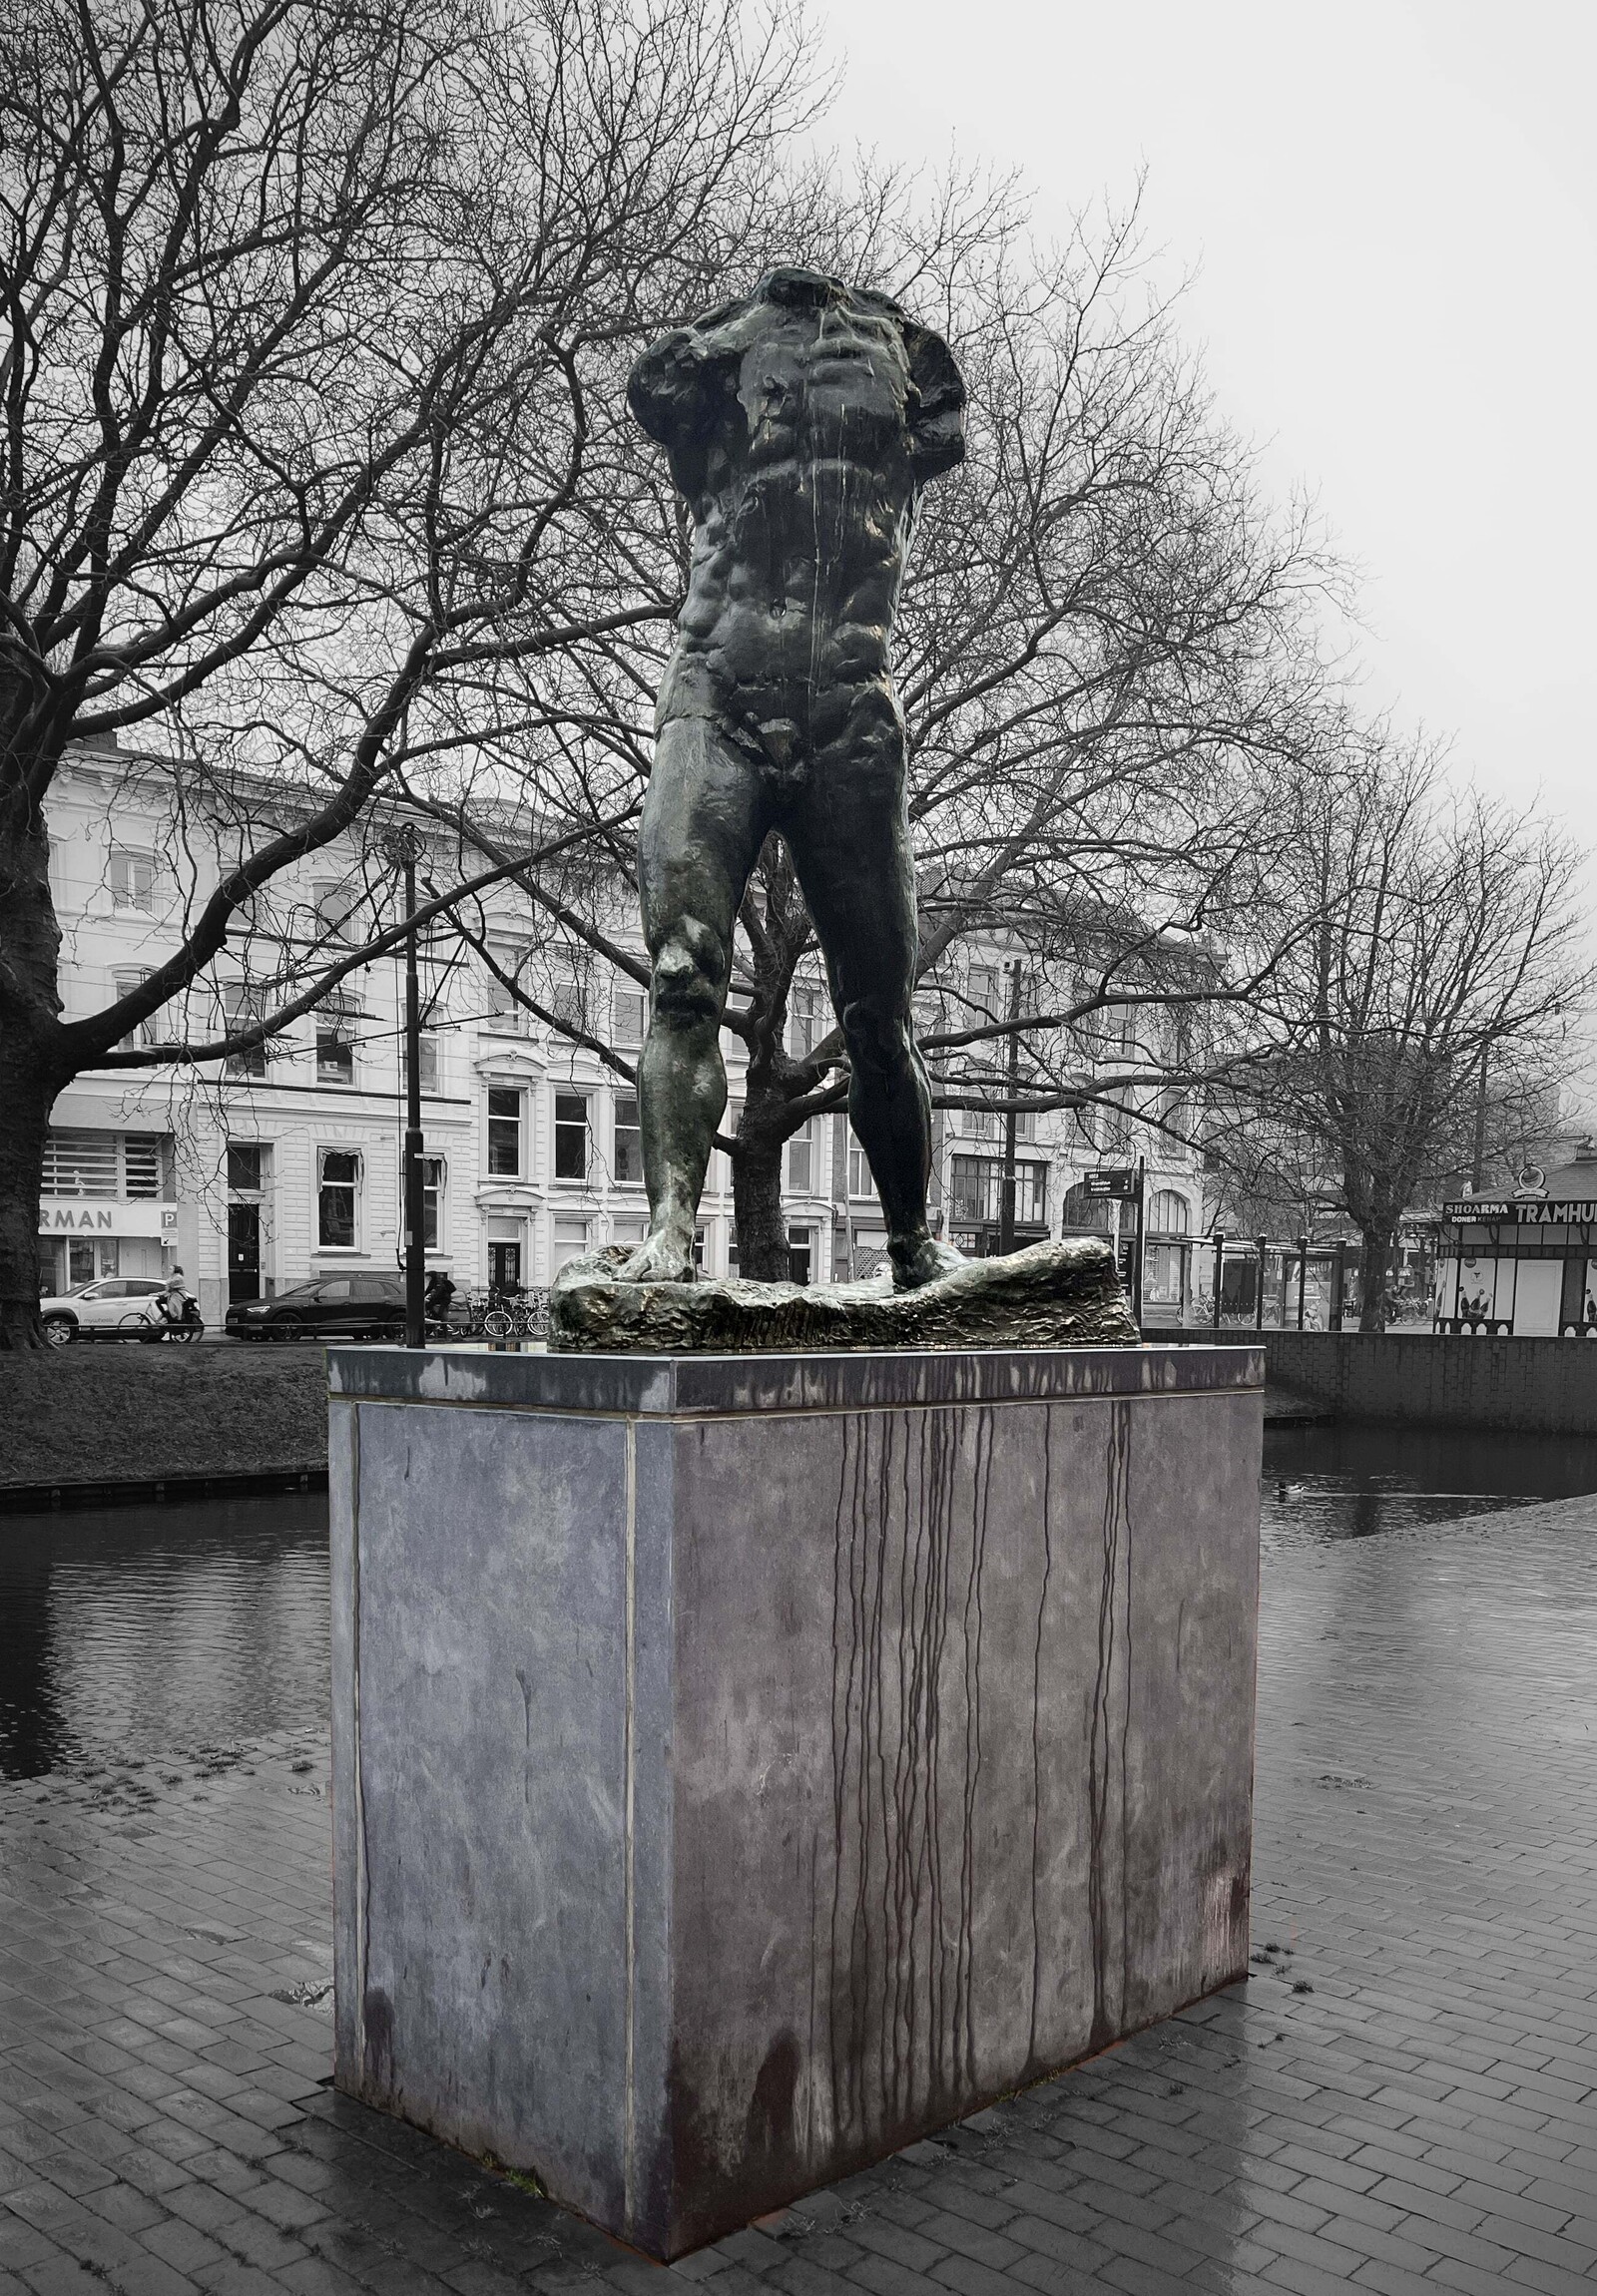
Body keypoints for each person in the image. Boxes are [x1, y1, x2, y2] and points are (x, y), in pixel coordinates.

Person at [623, 266, 968, 1291]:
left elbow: (944, 431)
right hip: (717, 692)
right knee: (682, 974)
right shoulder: (710, 370)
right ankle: (672, 1233)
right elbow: (652, 385)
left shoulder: (917, 367)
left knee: (877, 1013)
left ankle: (912, 1243)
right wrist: (741, 321)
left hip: (851, 713)